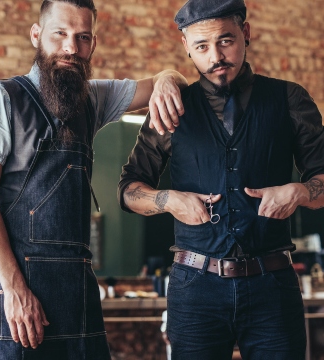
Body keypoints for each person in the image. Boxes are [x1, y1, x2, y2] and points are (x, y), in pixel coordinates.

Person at [0, 0, 188, 359]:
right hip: (18, 295)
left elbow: (173, 79)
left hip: (78, 294)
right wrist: (15, 289)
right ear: (37, 35)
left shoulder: (92, 99)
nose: (71, 47)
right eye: (60, 34)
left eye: (82, 37)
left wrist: (165, 80)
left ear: (93, 44)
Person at [118, 0, 324, 359]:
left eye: (225, 41)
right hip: (194, 290)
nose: (216, 56)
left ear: (245, 33)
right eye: (201, 46)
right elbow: (128, 190)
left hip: (273, 286)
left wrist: (302, 191)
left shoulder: (289, 99)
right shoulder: (171, 107)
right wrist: (169, 200)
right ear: (186, 47)